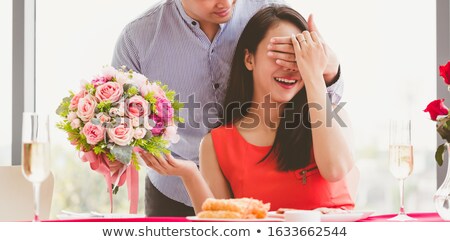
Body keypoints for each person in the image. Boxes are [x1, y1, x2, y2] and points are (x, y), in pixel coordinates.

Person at [112, 0, 345, 216]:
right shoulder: (139, 38)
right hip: (172, 188)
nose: (225, 3)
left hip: (264, 182)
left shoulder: (268, 14)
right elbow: (118, 119)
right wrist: (116, 149)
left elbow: (322, 93)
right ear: (248, 59)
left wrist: (327, 69)